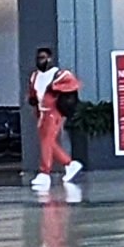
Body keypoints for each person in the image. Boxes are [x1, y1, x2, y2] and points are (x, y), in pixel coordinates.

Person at [28, 49, 82, 193]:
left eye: (43, 58)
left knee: (47, 141)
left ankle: (44, 172)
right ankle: (69, 164)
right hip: (41, 113)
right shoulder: (35, 76)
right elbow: (33, 93)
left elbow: (73, 84)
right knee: (48, 142)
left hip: (54, 113)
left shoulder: (59, 74)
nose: (40, 61)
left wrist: (55, 87)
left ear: (50, 59)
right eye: (39, 58)